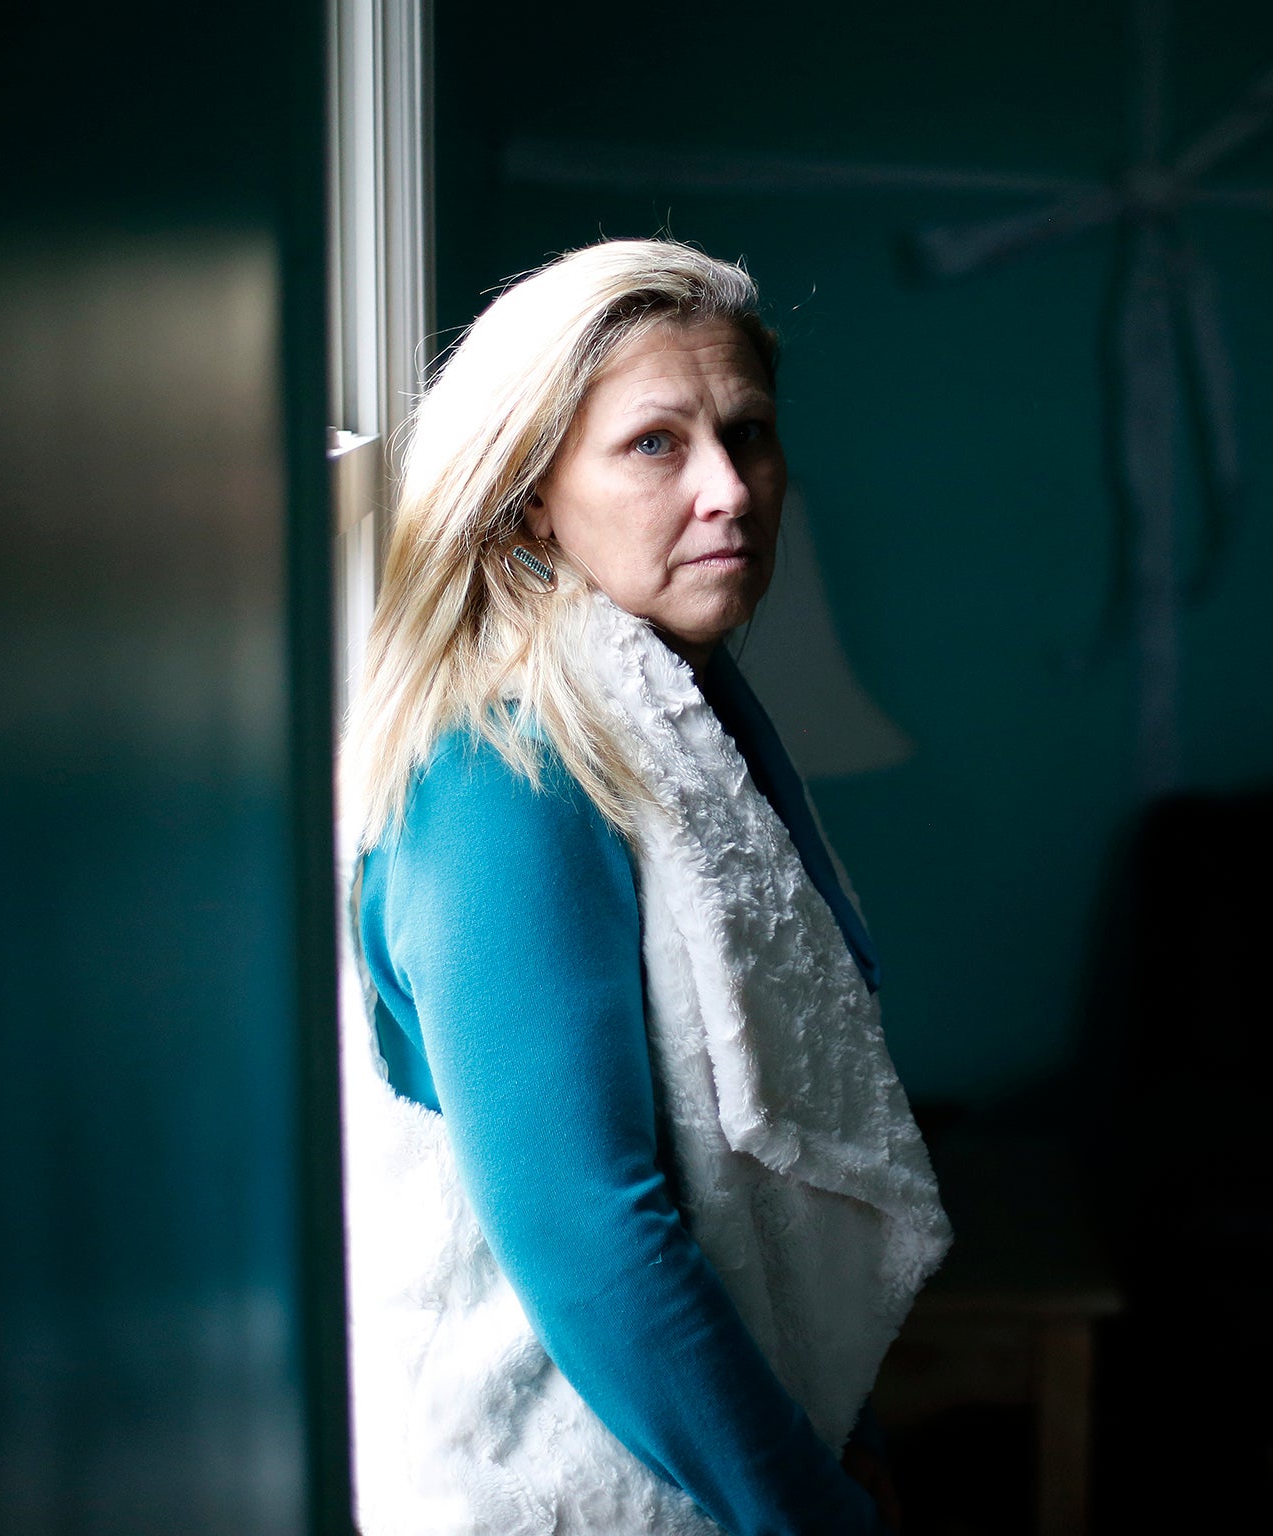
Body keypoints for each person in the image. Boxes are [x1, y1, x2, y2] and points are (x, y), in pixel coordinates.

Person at [339, 238, 952, 1536]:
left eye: (750, 433)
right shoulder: (503, 771)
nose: (730, 488)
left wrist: (844, 1431)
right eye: (657, 444)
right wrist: (818, 1514)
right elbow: (590, 1239)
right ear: (528, 497)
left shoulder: (689, 717)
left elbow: (755, 1180)